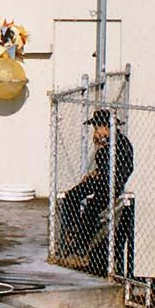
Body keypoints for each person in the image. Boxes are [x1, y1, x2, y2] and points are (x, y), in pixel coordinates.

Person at [58, 109, 135, 269]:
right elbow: (105, 166)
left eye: (96, 127)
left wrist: (103, 171)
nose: (95, 131)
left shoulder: (120, 143)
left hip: (112, 185)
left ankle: (80, 249)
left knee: (91, 210)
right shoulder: (108, 142)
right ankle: (73, 232)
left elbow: (121, 168)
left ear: (105, 127)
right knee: (72, 195)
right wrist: (97, 172)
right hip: (101, 181)